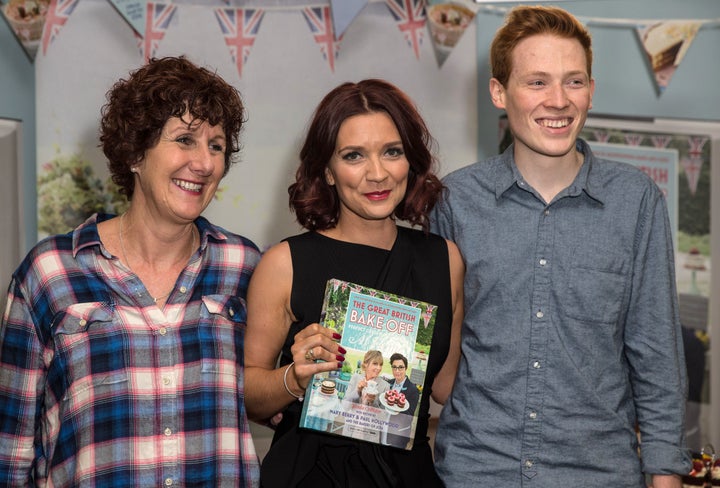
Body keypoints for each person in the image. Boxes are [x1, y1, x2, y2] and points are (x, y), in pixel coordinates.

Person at [430, 5, 690, 488]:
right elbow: (431, 348)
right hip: (475, 471)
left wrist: (665, 476)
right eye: (537, 82)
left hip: (598, 474)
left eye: (574, 81)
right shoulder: (454, 201)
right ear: (499, 92)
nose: (558, 100)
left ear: (591, 90)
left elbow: (658, 359)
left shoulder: (636, 202)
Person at [0, 56, 261, 487]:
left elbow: (275, 398)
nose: (205, 163)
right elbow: (10, 455)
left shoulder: (246, 267)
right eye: (185, 139)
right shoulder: (48, 273)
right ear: (136, 153)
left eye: (216, 145)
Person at [244, 79, 464, 487]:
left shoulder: (443, 259)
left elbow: (447, 387)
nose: (377, 173)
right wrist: (295, 376)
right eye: (354, 156)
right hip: (310, 474)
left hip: (408, 475)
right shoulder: (285, 263)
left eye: (391, 152)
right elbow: (248, 391)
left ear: (410, 160)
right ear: (327, 170)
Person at [385, 353, 420, 449]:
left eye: (400, 367)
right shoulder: (388, 383)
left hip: (398, 434)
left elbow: (409, 416)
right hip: (383, 429)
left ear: (406, 368)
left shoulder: (413, 390)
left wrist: (397, 408)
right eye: (394, 367)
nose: (397, 371)